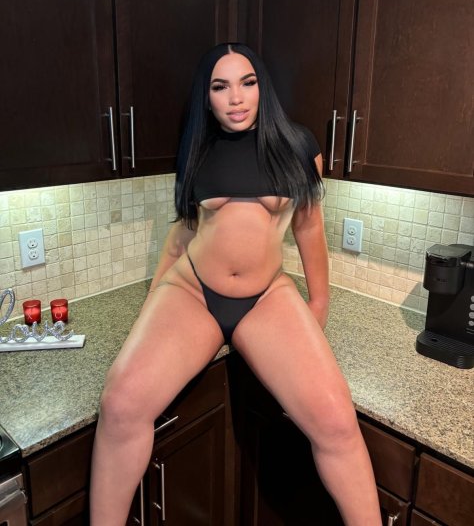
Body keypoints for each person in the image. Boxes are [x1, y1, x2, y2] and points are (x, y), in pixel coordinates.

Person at [90, 43, 381, 525]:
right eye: (220, 87)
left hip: (267, 297)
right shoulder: (196, 149)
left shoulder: (299, 146)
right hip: (192, 292)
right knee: (119, 403)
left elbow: (309, 227)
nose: (236, 97)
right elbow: (183, 234)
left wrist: (319, 302)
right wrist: (152, 310)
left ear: (262, 87)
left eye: (247, 83)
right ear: (207, 99)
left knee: (335, 421)